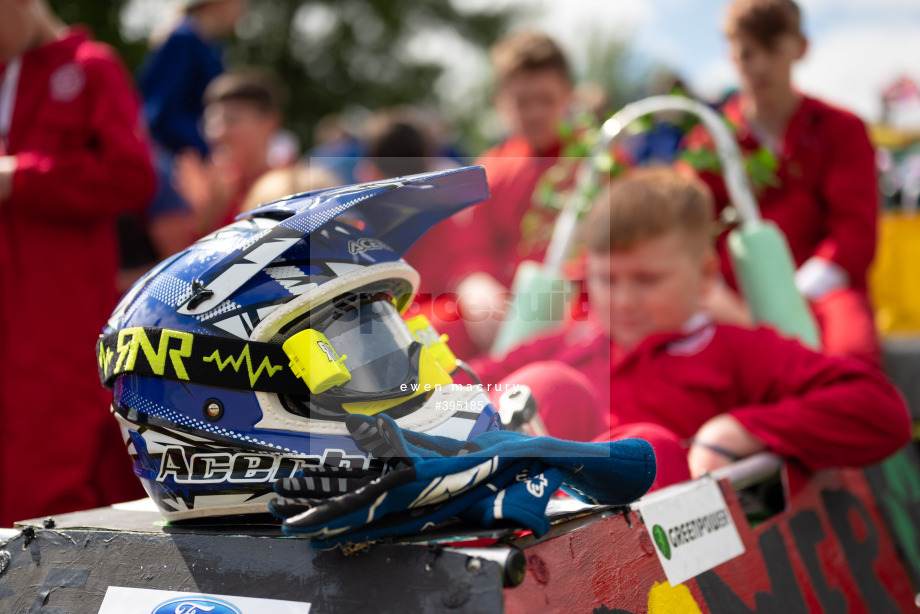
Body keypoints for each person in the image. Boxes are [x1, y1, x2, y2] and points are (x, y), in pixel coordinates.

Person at [471, 168, 910, 489]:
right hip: (521, 531)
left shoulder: (732, 349)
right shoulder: (570, 344)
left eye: (647, 280)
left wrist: (741, 429)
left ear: (704, 276)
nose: (623, 300)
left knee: (651, 447)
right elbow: (462, 382)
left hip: (649, 556)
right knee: (544, 385)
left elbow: (881, 410)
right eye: (607, 280)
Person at [0, 0, 155, 524]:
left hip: (58, 325)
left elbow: (132, 176)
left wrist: (21, 178)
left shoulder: (92, 67)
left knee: (53, 480)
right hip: (11, 324)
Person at [681, 0, 882, 367]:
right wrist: (719, 295)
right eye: (746, 53)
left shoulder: (841, 129)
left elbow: (854, 234)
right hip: (730, 299)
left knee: (849, 361)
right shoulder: (708, 143)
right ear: (730, 55)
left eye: (772, 49)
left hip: (826, 293)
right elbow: (688, 234)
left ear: (800, 48)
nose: (758, 65)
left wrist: (789, 296)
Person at [443, 31, 575, 355]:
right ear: (500, 101)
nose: (534, 113)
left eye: (546, 100)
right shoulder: (491, 169)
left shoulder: (602, 163)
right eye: (521, 102)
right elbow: (466, 248)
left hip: (576, 312)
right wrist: (474, 283)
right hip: (499, 314)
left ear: (569, 96)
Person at [174, 68, 286, 234]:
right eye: (211, 122)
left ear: (270, 123)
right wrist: (208, 212)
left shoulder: (290, 188)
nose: (217, 133)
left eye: (231, 120)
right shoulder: (203, 186)